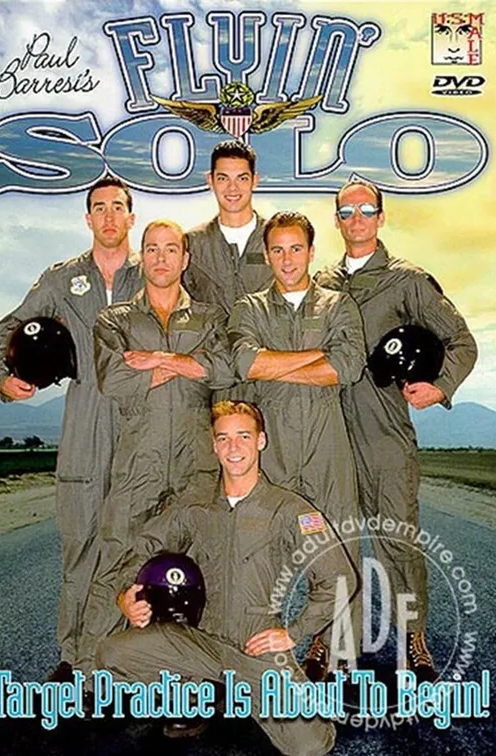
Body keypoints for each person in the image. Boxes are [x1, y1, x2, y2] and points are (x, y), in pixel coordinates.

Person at [98, 401, 359, 754]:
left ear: (261, 441)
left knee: (310, 746)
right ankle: (197, 692)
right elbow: (143, 548)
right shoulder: (196, 506)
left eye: (243, 436)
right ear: (214, 445)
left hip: (254, 646)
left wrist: (294, 632)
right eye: (223, 438)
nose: (233, 447)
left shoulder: (289, 510)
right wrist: (125, 597)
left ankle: (253, 691)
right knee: (111, 654)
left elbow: (340, 578)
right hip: (198, 640)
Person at [314, 179, 478, 682]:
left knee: (397, 541)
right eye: (347, 211)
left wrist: (439, 386)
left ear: (381, 218)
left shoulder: (406, 281)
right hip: (329, 434)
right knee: (333, 543)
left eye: (367, 209)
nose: (357, 218)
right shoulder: (321, 283)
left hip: (384, 436)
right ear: (337, 220)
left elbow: (462, 342)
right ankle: (330, 635)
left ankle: (413, 636)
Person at [0, 176, 142, 680]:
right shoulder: (62, 279)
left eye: (118, 207)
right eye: (100, 208)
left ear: (131, 216)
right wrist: (4, 376)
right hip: (84, 424)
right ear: (88, 218)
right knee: (81, 550)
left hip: (142, 423)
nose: (109, 216)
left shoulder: (153, 271)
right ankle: (73, 660)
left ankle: (127, 661)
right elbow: (10, 326)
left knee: (137, 548)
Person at [76, 219, 235, 680]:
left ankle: (200, 679)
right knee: (116, 561)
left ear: (186, 259)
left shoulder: (210, 318)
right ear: (141, 258)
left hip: (196, 465)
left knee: (201, 567)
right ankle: (88, 676)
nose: (161, 257)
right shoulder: (115, 320)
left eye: (170, 249)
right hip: (137, 463)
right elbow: (113, 379)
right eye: (151, 248)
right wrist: (188, 365)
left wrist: (157, 360)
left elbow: (224, 369)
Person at [227, 211, 366, 678]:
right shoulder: (249, 308)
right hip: (275, 449)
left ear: (311, 251)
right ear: (266, 255)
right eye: (277, 250)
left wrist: (276, 364)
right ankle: (259, 652)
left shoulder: (338, 305)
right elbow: (246, 363)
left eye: (296, 248)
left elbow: (348, 367)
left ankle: (338, 656)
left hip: (328, 447)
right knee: (263, 553)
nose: (287, 260)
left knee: (340, 546)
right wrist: (318, 355)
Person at [183, 140, 272, 315]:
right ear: (210, 180)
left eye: (242, 178)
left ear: (255, 181)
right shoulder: (192, 243)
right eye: (223, 178)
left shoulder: (276, 239)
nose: (232, 188)